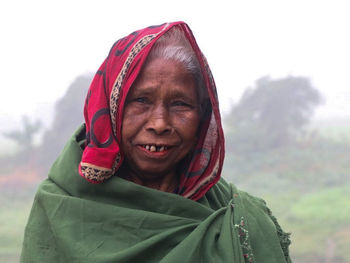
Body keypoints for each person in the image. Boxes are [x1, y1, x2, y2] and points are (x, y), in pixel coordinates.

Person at [21, 22, 292, 263]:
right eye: (141, 100)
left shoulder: (236, 219)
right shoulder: (61, 205)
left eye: (180, 104)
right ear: (111, 110)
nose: (160, 123)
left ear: (203, 114)